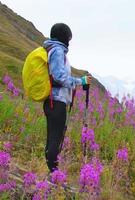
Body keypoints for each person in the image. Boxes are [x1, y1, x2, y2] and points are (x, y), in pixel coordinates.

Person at [42, 23, 92, 173]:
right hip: (56, 101)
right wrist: (80, 81)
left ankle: (52, 171)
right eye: (68, 37)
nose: (69, 41)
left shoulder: (54, 50)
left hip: (53, 101)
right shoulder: (57, 51)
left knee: (52, 137)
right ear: (63, 37)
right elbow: (59, 77)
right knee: (56, 137)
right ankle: (54, 174)